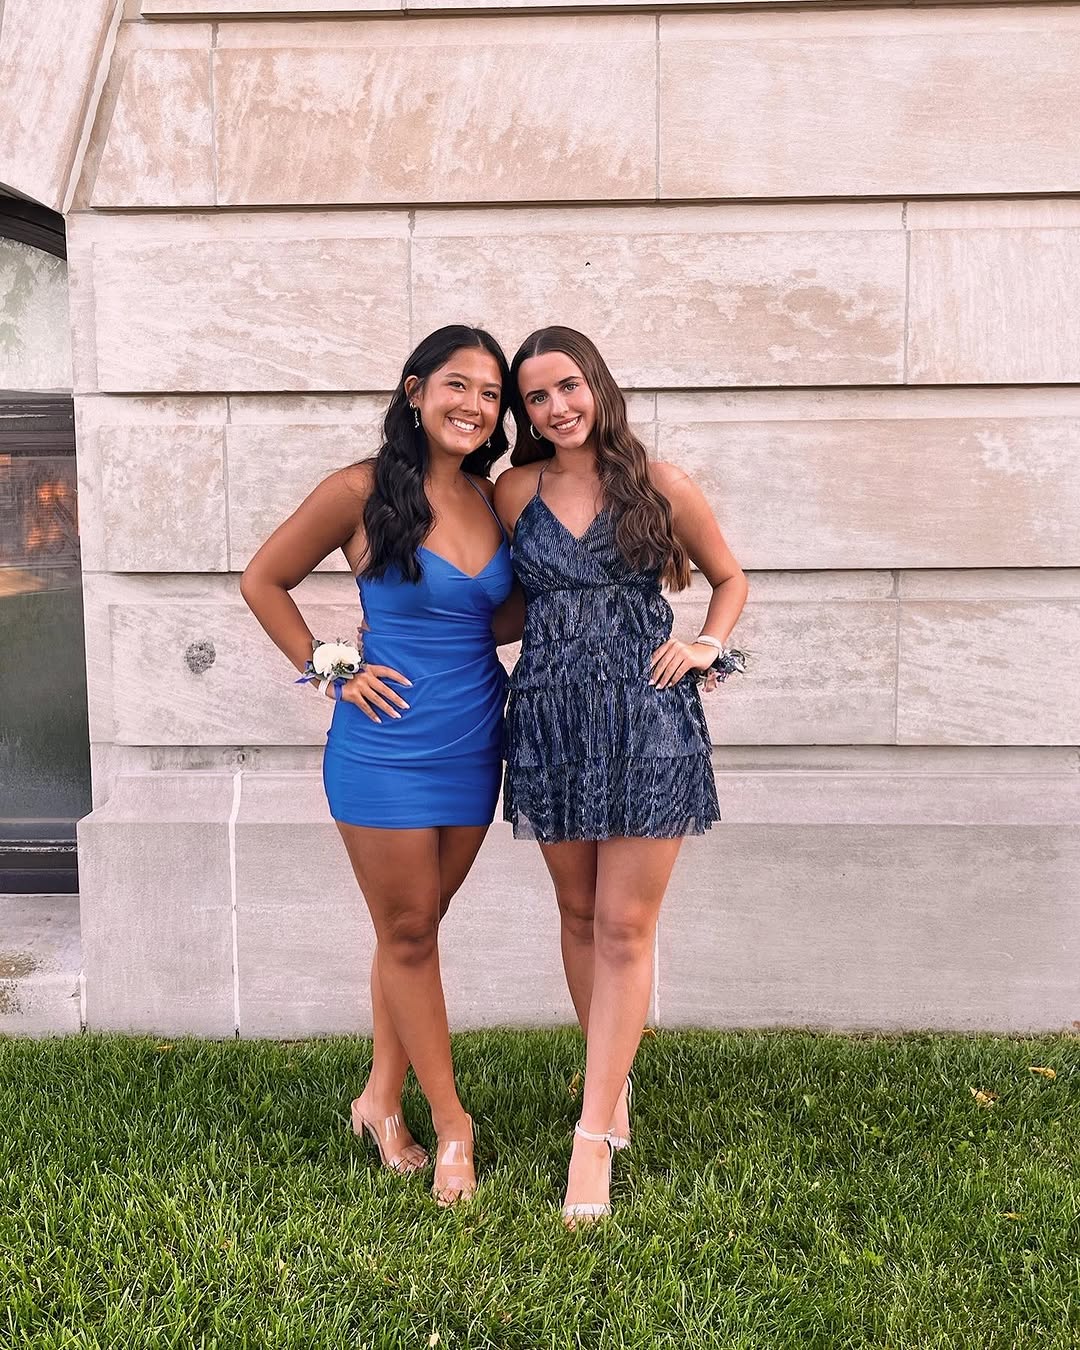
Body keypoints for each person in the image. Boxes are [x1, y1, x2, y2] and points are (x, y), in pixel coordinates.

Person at [241, 325, 520, 1206]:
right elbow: (263, 580)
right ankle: (452, 1124)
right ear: (415, 391)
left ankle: (377, 1100)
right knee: (408, 933)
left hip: (475, 742)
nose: (474, 405)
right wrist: (331, 668)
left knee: (415, 929)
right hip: (385, 747)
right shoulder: (358, 491)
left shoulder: (492, 499)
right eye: (457, 384)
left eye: (491, 393)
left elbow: (504, 616)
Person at [494, 326, 748, 1225]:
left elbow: (729, 577)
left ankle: (592, 1135)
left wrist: (708, 643)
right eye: (536, 397)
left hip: (648, 719)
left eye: (568, 386)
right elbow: (495, 602)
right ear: (525, 414)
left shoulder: (658, 483)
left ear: (597, 384)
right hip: (551, 718)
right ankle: (613, 1084)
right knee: (576, 914)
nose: (557, 407)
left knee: (625, 926)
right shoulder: (512, 491)